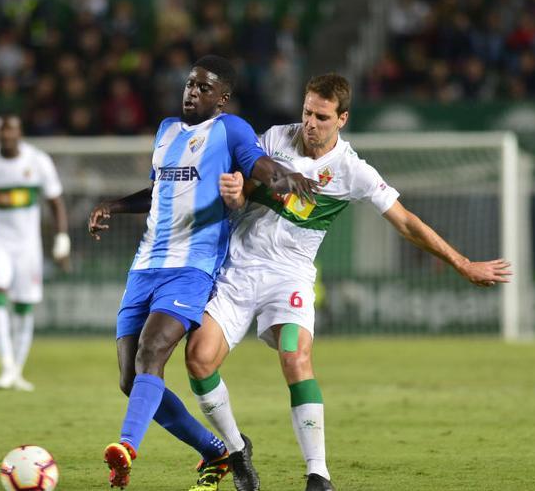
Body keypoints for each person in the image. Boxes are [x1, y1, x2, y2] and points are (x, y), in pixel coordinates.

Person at [184, 73, 513, 491]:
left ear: (342, 119)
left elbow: (407, 223)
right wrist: (236, 193)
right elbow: (243, 186)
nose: (311, 124)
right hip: (237, 270)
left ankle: (318, 474)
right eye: (306, 113)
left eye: (321, 116)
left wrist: (463, 263)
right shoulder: (271, 140)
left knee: (295, 356)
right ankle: (236, 451)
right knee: (198, 360)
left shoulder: (351, 170)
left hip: (290, 276)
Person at [88, 55, 317, 490]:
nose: (191, 92)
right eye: (189, 84)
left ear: (222, 99)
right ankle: (217, 451)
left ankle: (125, 448)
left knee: (152, 352)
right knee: (129, 379)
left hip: (192, 267)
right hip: (145, 265)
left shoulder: (231, 129)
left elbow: (257, 165)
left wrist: (284, 175)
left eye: (203, 88)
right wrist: (112, 206)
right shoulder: (166, 131)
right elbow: (159, 191)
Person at [0, 115, 70, 391]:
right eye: (1, 131)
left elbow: (56, 202)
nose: (7, 136)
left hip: (27, 246)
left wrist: (62, 239)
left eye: (11, 130)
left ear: (20, 132)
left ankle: (16, 370)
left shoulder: (38, 162)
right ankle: (6, 365)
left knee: (23, 304)